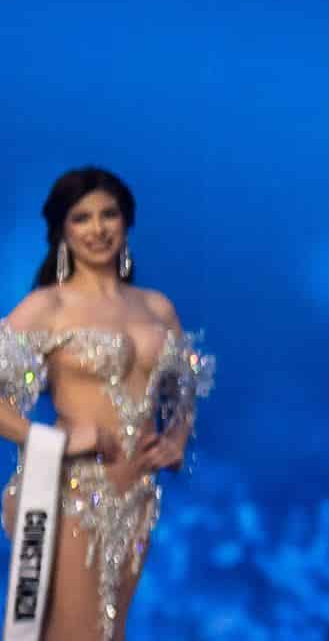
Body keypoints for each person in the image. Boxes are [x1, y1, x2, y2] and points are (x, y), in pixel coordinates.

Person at [1, 167, 213, 641]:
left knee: (109, 630)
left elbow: (184, 384)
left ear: (125, 221)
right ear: (62, 229)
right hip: (72, 494)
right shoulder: (47, 307)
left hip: (138, 498)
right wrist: (51, 437)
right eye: (82, 218)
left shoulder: (156, 307)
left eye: (108, 215)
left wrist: (176, 438)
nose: (98, 229)